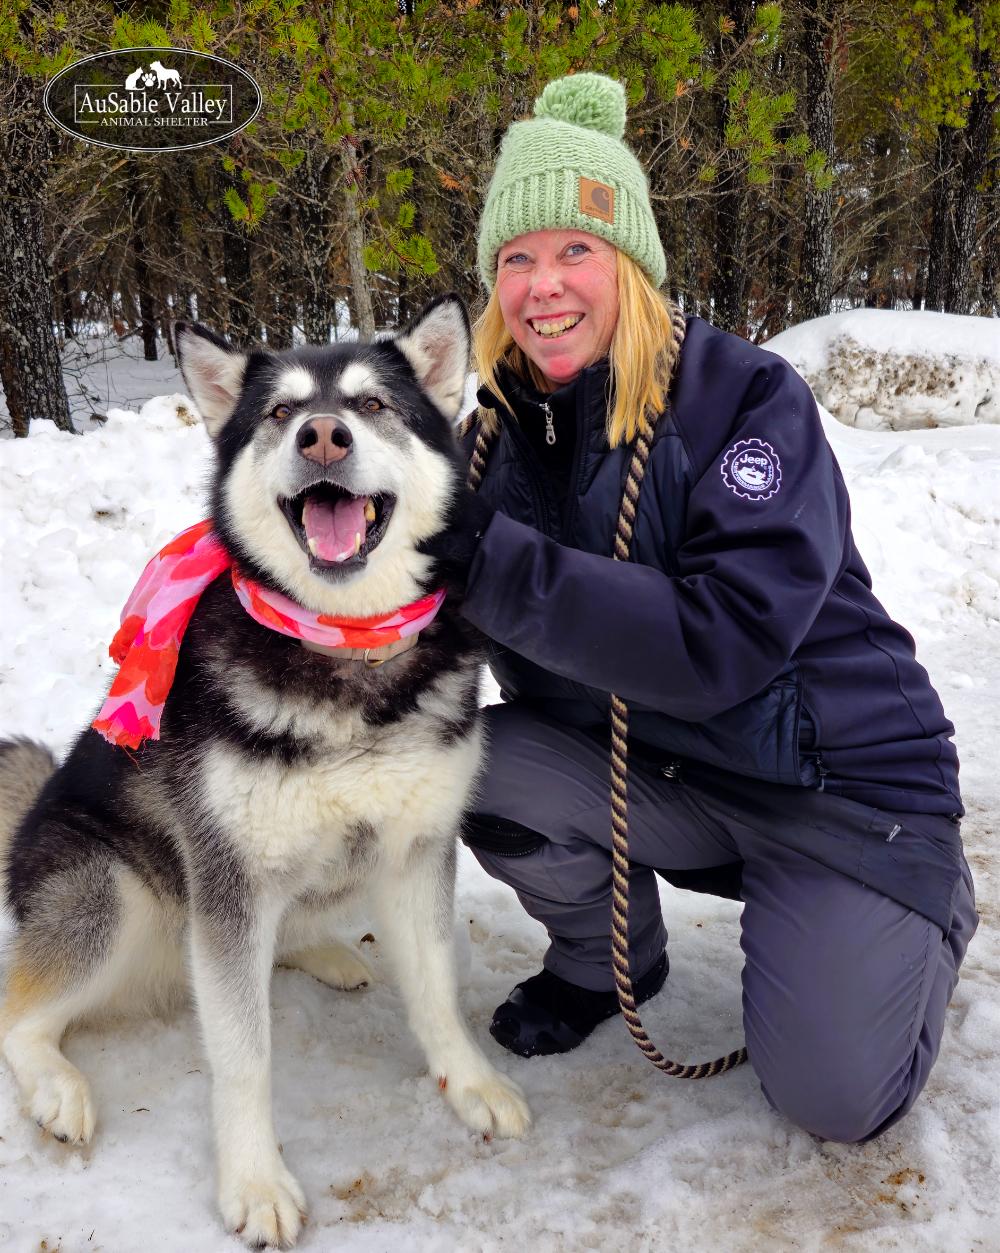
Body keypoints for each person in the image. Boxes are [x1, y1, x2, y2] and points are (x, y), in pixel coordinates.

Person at [421, 72, 978, 1144]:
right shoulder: (480, 442)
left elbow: (725, 640)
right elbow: (401, 625)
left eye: (575, 250)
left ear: (629, 263)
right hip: (656, 777)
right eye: (517, 258)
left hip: (837, 793)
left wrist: (489, 561)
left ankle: (909, 905)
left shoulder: (746, 400)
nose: (544, 285)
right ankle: (605, 958)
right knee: (462, 759)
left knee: (832, 1101)